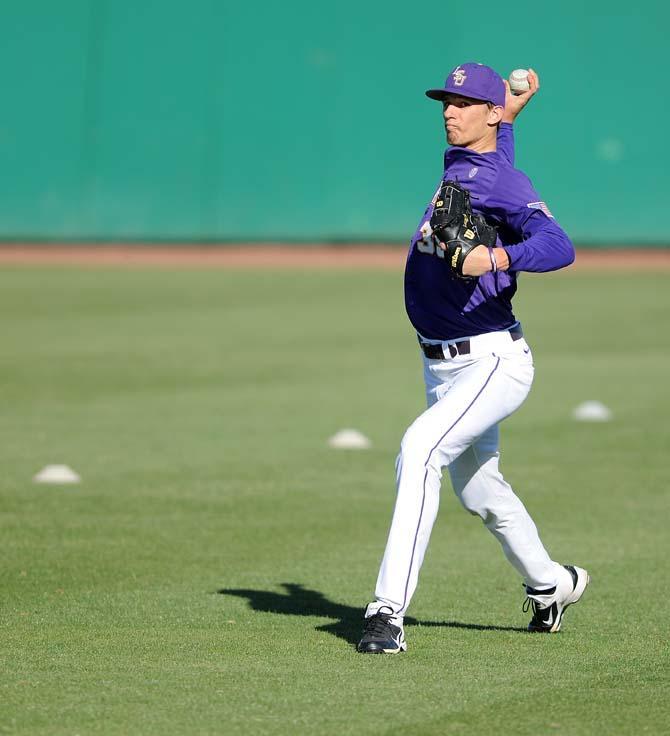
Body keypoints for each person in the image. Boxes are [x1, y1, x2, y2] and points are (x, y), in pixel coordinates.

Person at [357, 62, 589, 654]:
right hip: (442, 365)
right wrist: (508, 114)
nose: (449, 111)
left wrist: (496, 259)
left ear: (483, 113)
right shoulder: (463, 161)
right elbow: (494, 156)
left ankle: (386, 614)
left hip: (493, 361)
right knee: (481, 492)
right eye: (445, 101)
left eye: (463, 103)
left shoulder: (500, 181)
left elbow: (559, 245)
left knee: (420, 450)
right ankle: (552, 584)